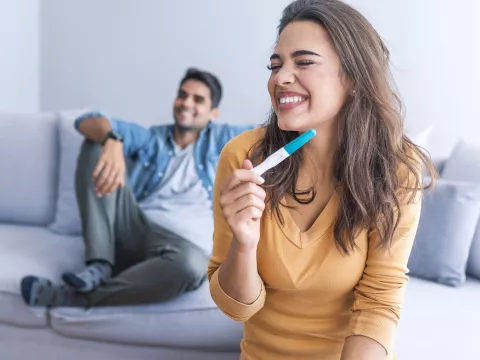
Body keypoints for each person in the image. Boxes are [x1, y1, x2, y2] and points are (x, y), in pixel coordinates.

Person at [208, 1, 437, 360]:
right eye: (275, 64)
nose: (280, 77)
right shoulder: (244, 158)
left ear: (353, 75)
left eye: (303, 62)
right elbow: (237, 309)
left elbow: (379, 303)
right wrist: (244, 244)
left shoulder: (396, 169)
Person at [21, 67, 255, 308]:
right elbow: (87, 120)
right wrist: (112, 140)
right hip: (134, 230)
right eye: (182, 95)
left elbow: (273, 134)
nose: (186, 103)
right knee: (96, 144)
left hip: (183, 251)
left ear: (213, 113)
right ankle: (99, 263)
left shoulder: (223, 139)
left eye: (198, 99)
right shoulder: (151, 139)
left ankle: (72, 298)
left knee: (191, 267)